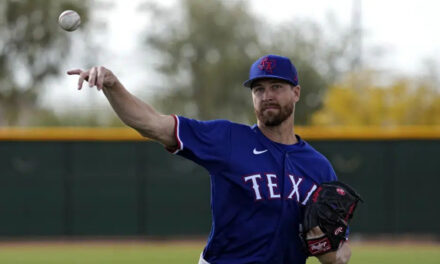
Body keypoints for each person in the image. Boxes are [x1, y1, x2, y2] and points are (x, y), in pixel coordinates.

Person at [67, 54, 351, 264]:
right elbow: (152, 124)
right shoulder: (227, 139)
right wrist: (114, 86)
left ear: (296, 92)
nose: (266, 96)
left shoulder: (318, 166)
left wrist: (330, 251)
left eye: (276, 86)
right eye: (258, 89)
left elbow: (339, 251)